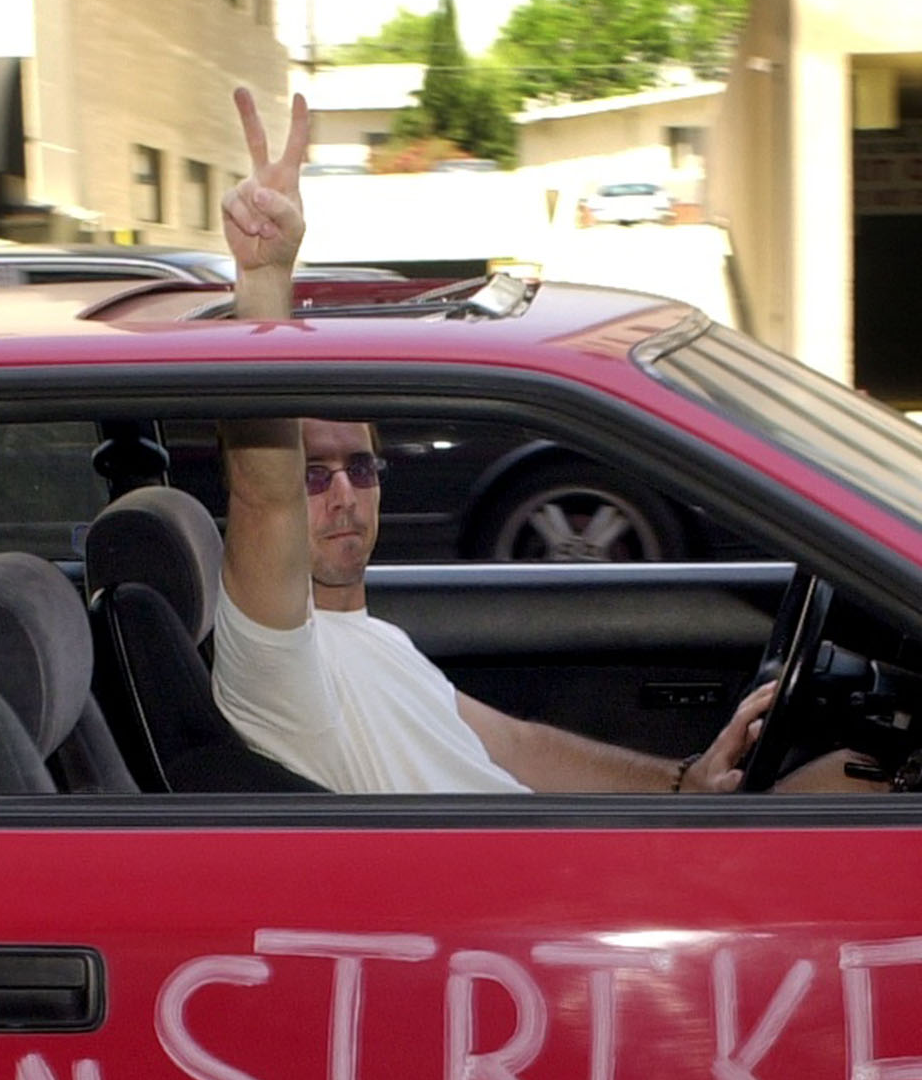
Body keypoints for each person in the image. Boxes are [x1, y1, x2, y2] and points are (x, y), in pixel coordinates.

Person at [210, 87, 784, 798]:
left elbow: (519, 746)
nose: (345, 494)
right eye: (314, 474)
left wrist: (683, 783)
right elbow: (262, 493)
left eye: (361, 467)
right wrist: (265, 279)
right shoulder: (273, 662)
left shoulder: (374, 639)